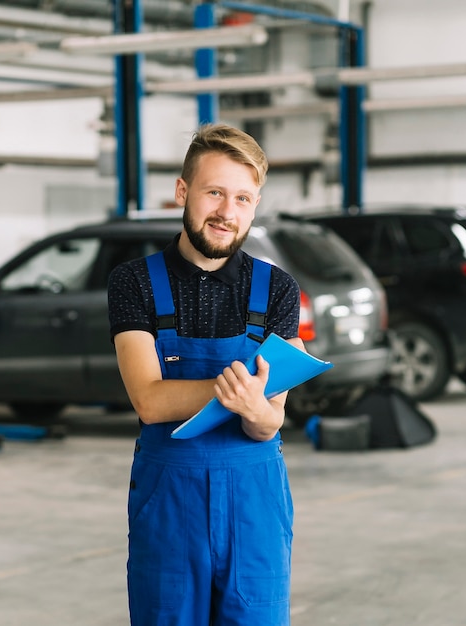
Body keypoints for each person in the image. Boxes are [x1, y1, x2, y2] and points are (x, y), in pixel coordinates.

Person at [107, 123, 305, 626]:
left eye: (243, 198)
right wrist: (239, 392)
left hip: (254, 502)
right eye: (214, 192)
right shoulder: (134, 283)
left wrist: (258, 410)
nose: (226, 212)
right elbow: (150, 401)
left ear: (255, 204)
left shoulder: (279, 290)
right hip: (171, 502)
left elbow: (268, 421)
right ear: (182, 191)